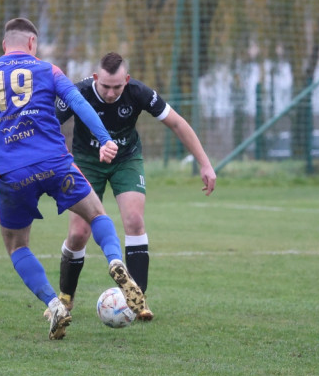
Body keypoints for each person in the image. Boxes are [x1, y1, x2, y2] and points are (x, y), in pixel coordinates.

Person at [0, 19, 152, 340]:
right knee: (97, 214)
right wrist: (104, 139)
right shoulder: (49, 70)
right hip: (56, 165)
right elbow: (78, 102)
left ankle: (54, 304)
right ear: (32, 43)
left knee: (17, 246)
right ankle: (116, 261)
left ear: (5, 45)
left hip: (13, 175)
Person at [53, 51, 217, 316]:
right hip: (86, 162)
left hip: (125, 159)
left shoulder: (138, 92)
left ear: (127, 80)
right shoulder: (77, 93)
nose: (111, 93)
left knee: (134, 220)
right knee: (79, 233)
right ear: (95, 78)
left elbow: (176, 123)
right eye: (105, 86)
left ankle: (138, 299)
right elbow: (47, 126)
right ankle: (65, 298)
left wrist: (205, 163)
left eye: (117, 87)